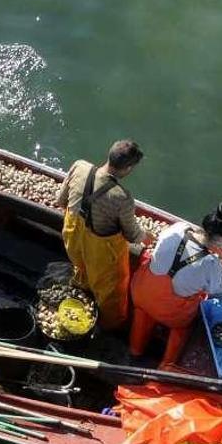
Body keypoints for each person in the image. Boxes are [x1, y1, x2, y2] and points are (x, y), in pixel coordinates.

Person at [129, 203, 222, 369]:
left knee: (144, 312)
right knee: (183, 325)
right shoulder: (211, 263)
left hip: (141, 292)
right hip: (170, 312)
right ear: (221, 239)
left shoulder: (178, 228)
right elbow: (217, 292)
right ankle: (167, 364)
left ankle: (135, 350)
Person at [56, 140, 147, 330]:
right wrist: (147, 236)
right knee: (112, 291)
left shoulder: (79, 166)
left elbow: (61, 201)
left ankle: (82, 290)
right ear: (128, 168)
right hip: (101, 253)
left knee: (82, 267)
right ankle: (110, 325)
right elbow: (132, 236)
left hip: (72, 238)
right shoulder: (121, 197)